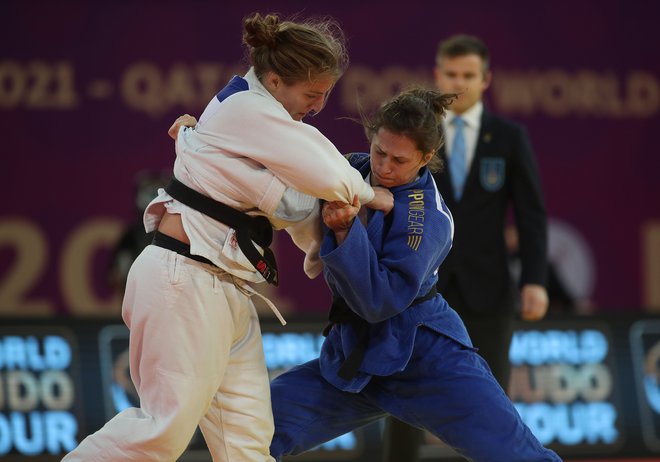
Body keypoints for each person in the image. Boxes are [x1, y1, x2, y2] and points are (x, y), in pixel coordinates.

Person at [63, 12, 391, 462]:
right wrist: (369, 193)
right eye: (311, 94)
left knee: (247, 439)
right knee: (162, 432)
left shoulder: (249, 119)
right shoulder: (246, 109)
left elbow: (296, 199)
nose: (316, 106)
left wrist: (333, 235)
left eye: (323, 96)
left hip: (224, 289)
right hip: (186, 278)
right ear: (275, 81)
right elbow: (318, 176)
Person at [268, 88, 561, 462]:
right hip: (356, 357)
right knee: (257, 428)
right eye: (380, 152)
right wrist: (209, 141)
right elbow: (282, 167)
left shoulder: (428, 220)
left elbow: (379, 301)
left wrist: (345, 232)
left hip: (426, 356)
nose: (385, 167)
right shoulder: (352, 170)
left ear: (426, 158)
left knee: (518, 456)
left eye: (399, 160)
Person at [384, 33, 551, 462]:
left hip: (488, 285)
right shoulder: (417, 135)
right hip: (418, 283)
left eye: (469, 75)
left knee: (489, 399)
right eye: (451, 74)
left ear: (486, 79)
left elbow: (530, 214)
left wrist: (534, 280)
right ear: (437, 76)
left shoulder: (508, 137)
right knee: (402, 390)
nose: (459, 84)